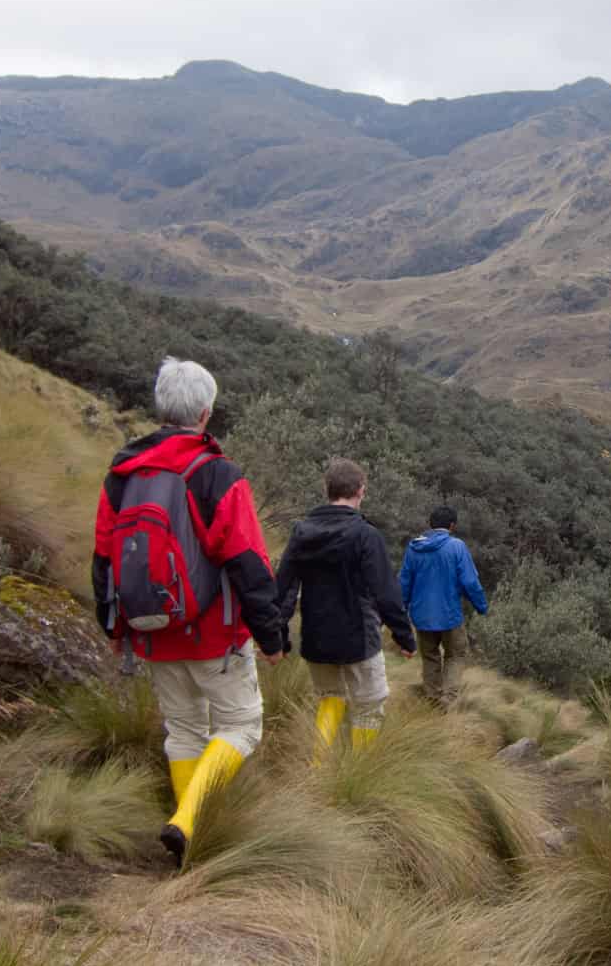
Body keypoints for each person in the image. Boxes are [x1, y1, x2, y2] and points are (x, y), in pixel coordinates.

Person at [91, 357, 285, 868]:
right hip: (213, 634)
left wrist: (115, 627)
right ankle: (187, 821)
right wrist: (271, 635)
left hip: (152, 632)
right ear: (205, 413)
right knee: (241, 727)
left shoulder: (122, 475)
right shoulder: (216, 474)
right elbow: (247, 561)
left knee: (184, 732)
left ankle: (187, 847)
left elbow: (104, 556)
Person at [275, 457, 416, 753]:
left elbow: (284, 587)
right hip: (358, 637)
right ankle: (357, 774)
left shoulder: (302, 532)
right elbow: (386, 593)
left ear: (327, 489)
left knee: (330, 697)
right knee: (369, 705)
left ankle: (317, 768)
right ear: (360, 491)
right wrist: (405, 637)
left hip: (316, 636)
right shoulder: (366, 535)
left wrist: (277, 636)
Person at [398, 504, 488, 708]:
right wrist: (481, 606)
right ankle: (448, 699)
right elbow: (470, 582)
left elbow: (404, 583)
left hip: (421, 616)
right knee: (455, 654)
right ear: (452, 526)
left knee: (430, 657)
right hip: (450, 615)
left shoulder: (414, 547)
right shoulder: (457, 546)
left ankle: (432, 699)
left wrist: (399, 610)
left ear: (429, 524)